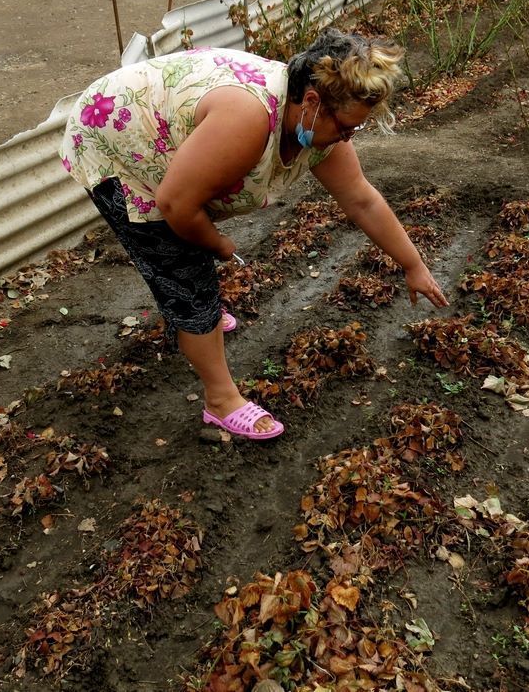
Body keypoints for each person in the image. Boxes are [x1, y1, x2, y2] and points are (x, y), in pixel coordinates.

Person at [59, 29, 447, 441]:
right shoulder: (247, 120)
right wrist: (217, 244)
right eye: (347, 127)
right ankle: (220, 399)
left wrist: (413, 264)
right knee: (184, 272)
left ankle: (195, 323)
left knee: (192, 245)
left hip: (170, 134)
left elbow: (361, 200)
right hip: (116, 142)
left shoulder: (315, 123)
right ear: (313, 101)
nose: (348, 137)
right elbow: (175, 204)